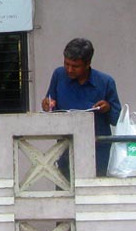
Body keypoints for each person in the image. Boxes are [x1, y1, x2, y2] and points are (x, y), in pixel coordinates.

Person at [41, 38, 121, 177]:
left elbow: (117, 119)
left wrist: (107, 108)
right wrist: (47, 105)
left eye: (75, 66)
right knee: (64, 190)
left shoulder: (106, 82)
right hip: (65, 147)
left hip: (97, 148)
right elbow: (50, 106)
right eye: (66, 64)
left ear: (88, 64)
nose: (69, 69)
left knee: (94, 193)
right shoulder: (58, 75)